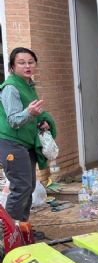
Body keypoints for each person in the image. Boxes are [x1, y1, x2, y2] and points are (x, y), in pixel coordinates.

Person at [0, 47, 56, 244]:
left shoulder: (28, 85)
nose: (27, 66)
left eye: (31, 62)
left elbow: (32, 114)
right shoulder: (11, 88)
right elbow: (14, 120)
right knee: (21, 186)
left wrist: (42, 120)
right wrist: (30, 114)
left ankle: (22, 230)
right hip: (11, 143)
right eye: (22, 62)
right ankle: (7, 236)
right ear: (12, 67)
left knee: (28, 186)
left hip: (25, 143)